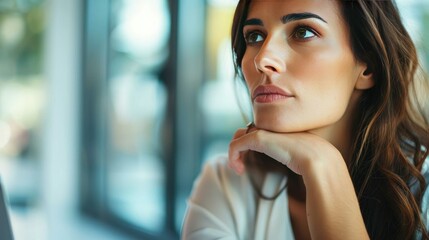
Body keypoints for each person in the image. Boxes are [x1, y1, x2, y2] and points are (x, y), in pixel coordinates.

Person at [182, 0, 429, 239]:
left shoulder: (424, 195)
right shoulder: (227, 185)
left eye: (303, 32)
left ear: (368, 66)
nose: (262, 59)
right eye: (255, 36)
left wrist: (324, 165)